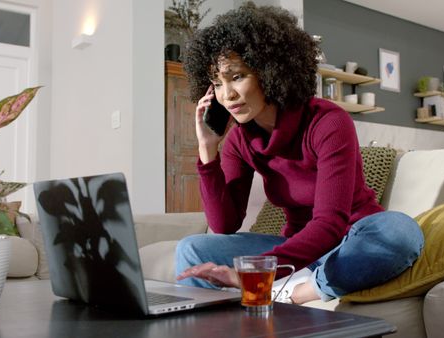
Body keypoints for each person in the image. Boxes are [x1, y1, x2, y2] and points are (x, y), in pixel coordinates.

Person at [175, 2, 424, 304]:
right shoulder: (239, 141)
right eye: (217, 82)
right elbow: (225, 224)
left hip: (352, 240)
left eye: (237, 76)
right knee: (192, 249)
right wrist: (207, 148)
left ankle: (297, 292)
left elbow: (331, 223)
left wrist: (258, 273)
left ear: (269, 70)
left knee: (401, 232)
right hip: (297, 249)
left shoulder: (328, 121)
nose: (226, 95)